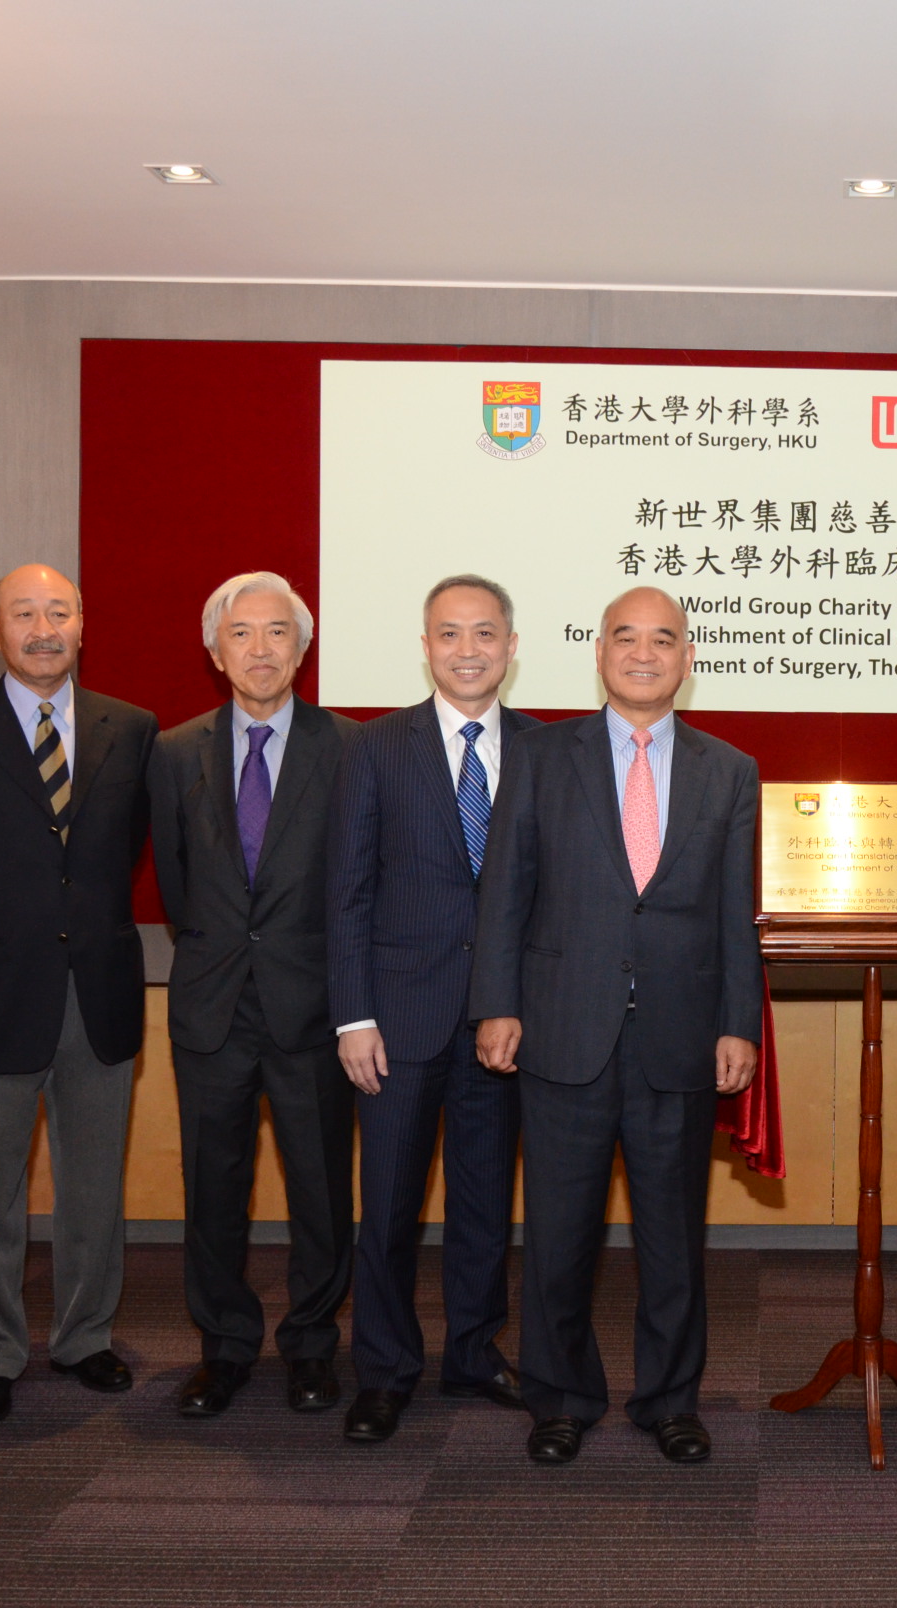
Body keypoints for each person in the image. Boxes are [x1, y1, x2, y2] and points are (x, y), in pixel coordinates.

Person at [470, 585, 761, 1466]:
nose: (643, 654)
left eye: (662, 640)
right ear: (597, 654)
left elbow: (735, 912)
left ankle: (670, 1401)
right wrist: (496, 1003)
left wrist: (739, 1023)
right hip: (562, 1028)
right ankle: (560, 1399)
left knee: (673, 1241)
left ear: (688, 658)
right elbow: (505, 890)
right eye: (625, 638)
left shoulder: (728, 769)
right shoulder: (539, 755)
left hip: (680, 1035)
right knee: (559, 1237)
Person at [0, 563, 158, 1425]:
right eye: (23, 614)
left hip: (100, 996)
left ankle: (85, 1338)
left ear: (83, 625)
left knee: (94, 1188)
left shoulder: (133, 728)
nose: (43, 630)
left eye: (58, 612)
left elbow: (122, 852)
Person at [328, 574, 537, 1444]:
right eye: (449, 634)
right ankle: (383, 1370)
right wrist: (353, 1017)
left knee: (485, 1206)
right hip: (397, 1020)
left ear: (511, 647)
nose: (467, 650)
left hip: (501, 1023)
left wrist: (521, 1004)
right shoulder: (376, 746)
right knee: (388, 1207)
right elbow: (346, 892)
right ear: (424, 647)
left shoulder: (545, 750)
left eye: (484, 633)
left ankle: (474, 1353)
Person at [148, 573, 352, 1418]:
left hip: (316, 1008)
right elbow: (176, 882)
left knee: (321, 1191)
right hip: (212, 1007)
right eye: (241, 633)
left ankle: (311, 1345)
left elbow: (360, 883)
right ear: (214, 650)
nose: (260, 649)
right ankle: (224, 1347)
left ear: (303, 648)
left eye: (277, 632)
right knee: (212, 1189)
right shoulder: (172, 752)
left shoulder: (350, 749)